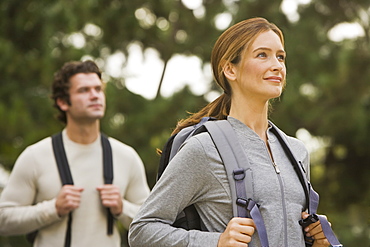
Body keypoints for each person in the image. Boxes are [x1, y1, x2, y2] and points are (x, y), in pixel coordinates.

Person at [129, 17, 332, 247]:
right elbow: (142, 229)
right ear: (229, 69)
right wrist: (216, 242)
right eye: (262, 55)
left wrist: (315, 240)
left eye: (281, 56)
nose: (277, 65)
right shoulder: (205, 148)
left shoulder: (297, 151)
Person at [0, 60, 150, 246]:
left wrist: (122, 207)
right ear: (63, 102)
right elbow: (3, 219)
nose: (95, 96)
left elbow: (151, 223)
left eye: (98, 89)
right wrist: (52, 208)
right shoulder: (34, 156)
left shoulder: (127, 157)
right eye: (84, 90)